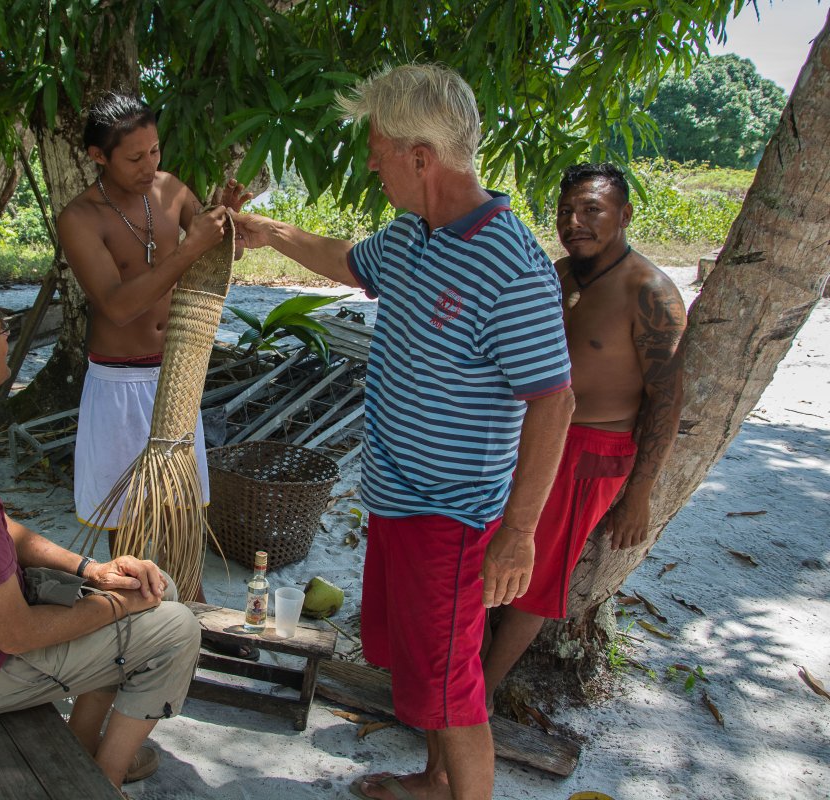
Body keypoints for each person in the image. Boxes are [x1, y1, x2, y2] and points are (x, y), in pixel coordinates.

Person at [234, 64, 575, 800]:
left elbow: (554, 403)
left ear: (421, 158)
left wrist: (519, 532)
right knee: (424, 669)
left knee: (453, 686)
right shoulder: (413, 236)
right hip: (395, 498)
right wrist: (264, 232)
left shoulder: (510, 264)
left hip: (451, 518)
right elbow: (344, 259)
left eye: (378, 148)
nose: (370, 161)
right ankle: (433, 782)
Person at [0, 283, 201, 791]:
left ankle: (85, 750)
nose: (8, 337)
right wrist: (117, 606)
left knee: (157, 588)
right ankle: (99, 785)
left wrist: (93, 571)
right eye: (1, 330)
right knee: (175, 628)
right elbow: (16, 633)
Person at [481, 162, 687, 710]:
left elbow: (666, 400)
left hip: (590, 449)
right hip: (530, 434)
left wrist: (639, 494)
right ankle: (463, 669)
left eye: (591, 210)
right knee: (483, 548)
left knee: (540, 571)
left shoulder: (650, 292)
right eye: (566, 211)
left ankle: (482, 690)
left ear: (624, 215)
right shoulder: (558, 275)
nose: (575, 222)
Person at [58, 91, 253, 621]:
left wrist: (227, 223)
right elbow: (117, 307)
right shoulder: (79, 217)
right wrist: (188, 248)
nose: (151, 167)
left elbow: (222, 250)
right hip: (118, 384)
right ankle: (133, 618)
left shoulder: (170, 191)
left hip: (176, 375)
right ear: (99, 157)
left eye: (155, 151)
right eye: (134, 157)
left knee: (182, 508)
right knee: (130, 522)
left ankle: (192, 604)